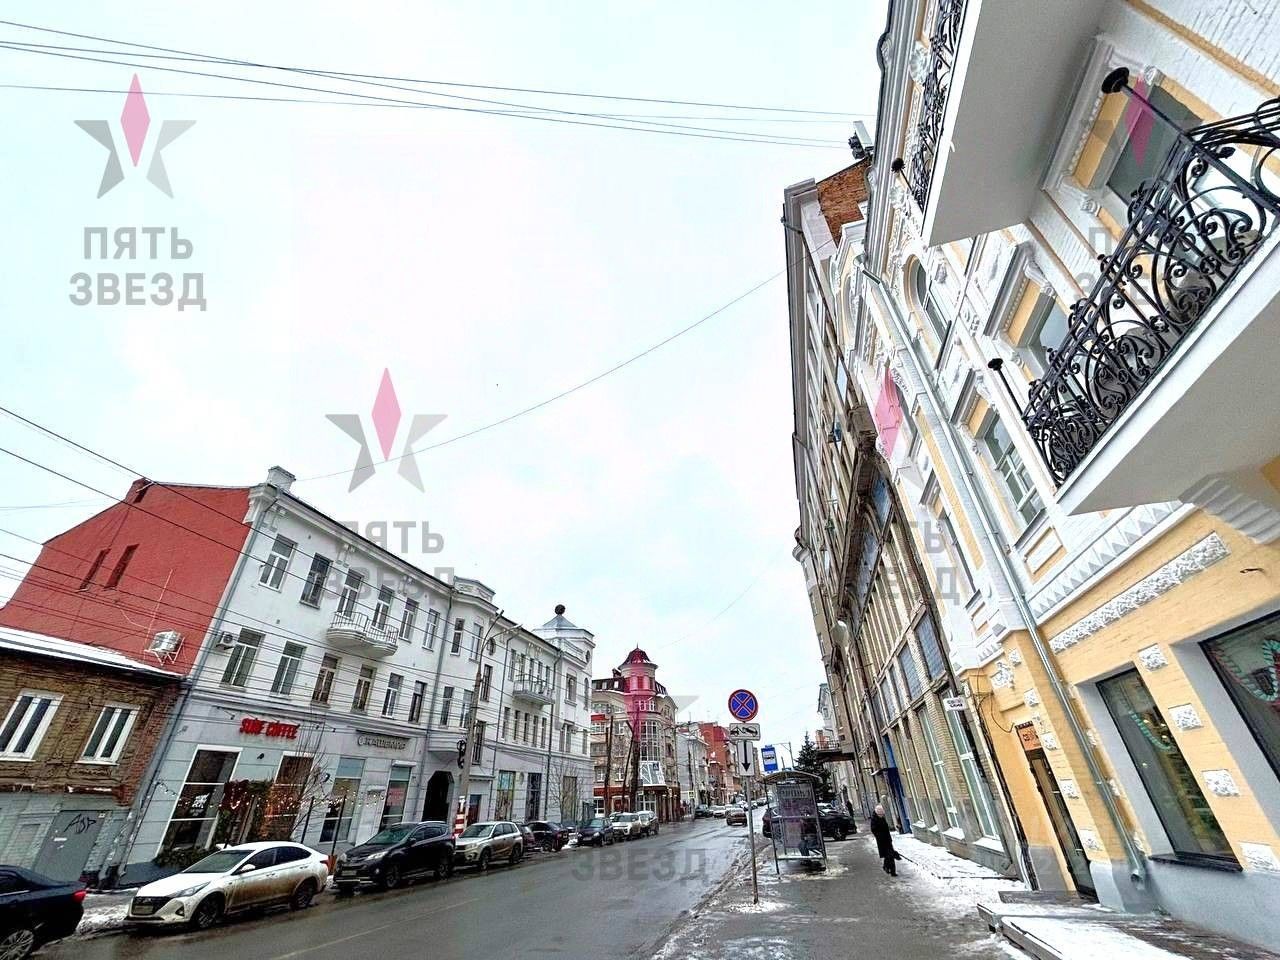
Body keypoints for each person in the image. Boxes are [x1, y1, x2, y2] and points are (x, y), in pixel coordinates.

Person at [870, 804, 900, 877]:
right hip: (881, 841)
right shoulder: (874, 820)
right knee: (888, 855)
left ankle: (890, 870)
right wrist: (879, 836)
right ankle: (889, 869)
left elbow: (886, 829)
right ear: (877, 813)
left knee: (890, 855)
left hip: (888, 840)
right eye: (880, 814)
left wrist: (889, 838)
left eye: (882, 814)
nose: (881, 815)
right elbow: (874, 830)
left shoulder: (882, 818)